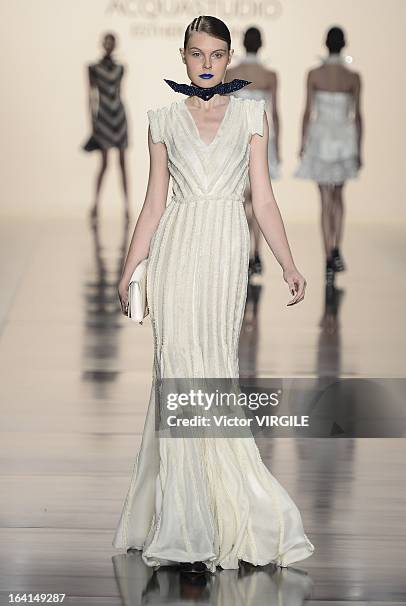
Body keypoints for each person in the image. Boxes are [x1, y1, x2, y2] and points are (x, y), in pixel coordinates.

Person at [113, 15, 314, 574]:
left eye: (216, 54)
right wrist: (130, 268)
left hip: (226, 254)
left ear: (228, 59)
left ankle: (221, 510)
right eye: (197, 53)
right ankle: (183, 521)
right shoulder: (161, 120)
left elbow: (264, 200)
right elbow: (154, 203)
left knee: (214, 370)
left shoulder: (252, 112)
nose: (206, 63)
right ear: (182, 56)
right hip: (178, 253)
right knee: (176, 370)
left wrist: (288, 265)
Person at [295, 26, 363, 286]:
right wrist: (359, 148)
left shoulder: (314, 74)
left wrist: (303, 143)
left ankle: (327, 256)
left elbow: (307, 111)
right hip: (345, 140)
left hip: (321, 140)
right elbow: (357, 116)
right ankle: (335, 247)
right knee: (339, 197)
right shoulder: (352, 77)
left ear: (326, 44)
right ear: (344, 44)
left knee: (324, 200)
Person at [225, 26, 280, 277]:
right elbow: (275, 113)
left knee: (241, 200)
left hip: (234, 142)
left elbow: (223, 112)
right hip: (260, 139)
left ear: (243, 44)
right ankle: (256, 253)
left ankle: (244, 253)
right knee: (259, 198)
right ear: (262, 44)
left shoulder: (232, 73)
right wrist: (276, 146)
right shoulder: (269, 75)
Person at [82, 32, 130, 222]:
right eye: (106, 42)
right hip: (103, 117)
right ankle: (95, 205)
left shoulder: (121, 68)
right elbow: (91, 96)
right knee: (104, 164)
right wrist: (92, 122)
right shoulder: (93, 68)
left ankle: (127, 207)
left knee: (122, 163)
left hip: (118, 116)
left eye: (112, 42)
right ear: (102, 44)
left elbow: (119, 93)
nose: (109, 45)